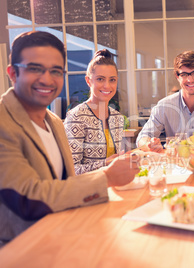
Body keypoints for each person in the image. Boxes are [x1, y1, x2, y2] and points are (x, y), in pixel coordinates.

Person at [0, 31, 139, 245]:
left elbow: (68, 180)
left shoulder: (54, 122)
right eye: (34, 68)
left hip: (65, 230)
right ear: (12, 73)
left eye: (55, 71)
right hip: (21, 247)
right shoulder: (3, 123)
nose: (46, 79)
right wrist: (107, 176)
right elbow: (28, 198)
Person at [64, 49, 124, 175]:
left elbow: (115, 159)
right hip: (87, 191)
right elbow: (71, 170)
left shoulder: (117, 117)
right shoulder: (77, 117)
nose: (107, 86)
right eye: (100, 79)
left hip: (114, 185)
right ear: (88, 81)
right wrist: (105, 163)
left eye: (112, 80)